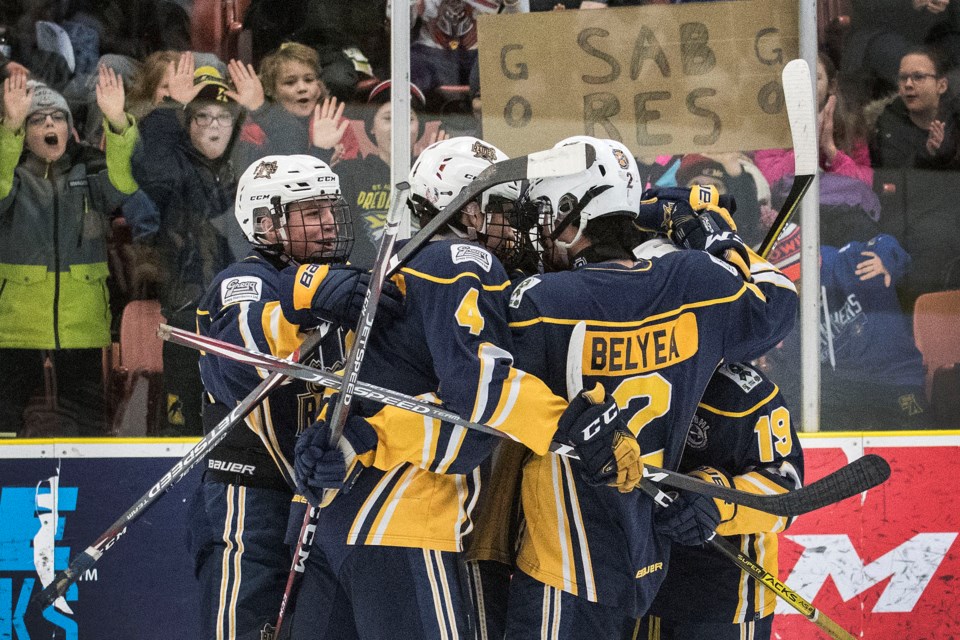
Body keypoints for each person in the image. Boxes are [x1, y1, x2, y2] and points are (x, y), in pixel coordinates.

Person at [289, 136, 642, 639]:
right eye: (503, 210)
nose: (516, 225)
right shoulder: (461, 260)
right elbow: (479, 394)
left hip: (336, 520)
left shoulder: (400, 270)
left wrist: (347, 441)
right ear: (471, 212)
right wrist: (572, 428)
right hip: (402, 516)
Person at [503, 138, 798, 637]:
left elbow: (474, 370)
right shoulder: (694, 279)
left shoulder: (541, 300)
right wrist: (718, 238)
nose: (541, 233)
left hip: (564, 561)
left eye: (549, 215)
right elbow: (778, 303)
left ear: (574, 216)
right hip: (644, 560)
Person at [188, 154, 396, 640]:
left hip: (324, 496)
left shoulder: (340, 283)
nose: (327, 224)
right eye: (310, 213)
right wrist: (305, 299)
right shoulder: (244, 281)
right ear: (265, 223)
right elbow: (241, 357)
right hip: (250, 498)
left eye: (329, 210)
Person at [0, 67, 137, 436]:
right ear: (23, 131)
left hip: (82, 324)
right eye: (37, 119)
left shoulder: (89, 167)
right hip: (13, 328)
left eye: (58, 117)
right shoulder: (9, 173)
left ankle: (89, 493)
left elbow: (124, 182)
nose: (50, 124)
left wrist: (117, 122)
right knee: (6, 427)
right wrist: (8, 128)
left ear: (69, 127)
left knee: (89, 427)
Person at [638, 362, 804, 640]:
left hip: (726, 600)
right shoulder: (629, 370)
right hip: (643, 593)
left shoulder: (746, 394)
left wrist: (718, 500)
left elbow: (787, 495)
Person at [129, 52, 247, 436]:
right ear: (187, 123)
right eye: (202, 115)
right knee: (183, 427)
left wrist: (265, 110)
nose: (214, 125)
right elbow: (154, 171)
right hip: (186, 318)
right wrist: (170, 108)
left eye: (223, 116)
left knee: (240, 427)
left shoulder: (247, 167)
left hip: (245, 317)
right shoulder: (174, 168)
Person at [335, 79, 447, 268]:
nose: (399, 127)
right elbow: (342, 232)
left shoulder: (430, 172)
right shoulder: (348, 172)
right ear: (372, 127)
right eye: (388, 118)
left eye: (408, 119)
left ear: (418, 126)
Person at [755, 52, 873, 188]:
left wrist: (831, 151)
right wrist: (807, 145)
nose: (807, 84)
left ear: (832, 86)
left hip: (840, 208)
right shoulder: (773, 128)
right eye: (799, 78)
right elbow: (767, 180)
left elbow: (866, 185)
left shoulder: (851, 127)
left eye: (816, 78)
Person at [229, 43, 348, 172]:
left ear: (319, 86)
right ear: (271, 90)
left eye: (309, 80)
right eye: (290, 82)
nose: (302, 88)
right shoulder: (253, 132)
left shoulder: (339, 126)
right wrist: (322, 153)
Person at [869, 46, 960, 170]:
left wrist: (947, 155)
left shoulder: (956, 123)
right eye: (903, 78)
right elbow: (893, 178)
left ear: (941, 86)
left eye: (918, 77)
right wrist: (927, 154)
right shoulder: (887, 126)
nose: (908, 84)